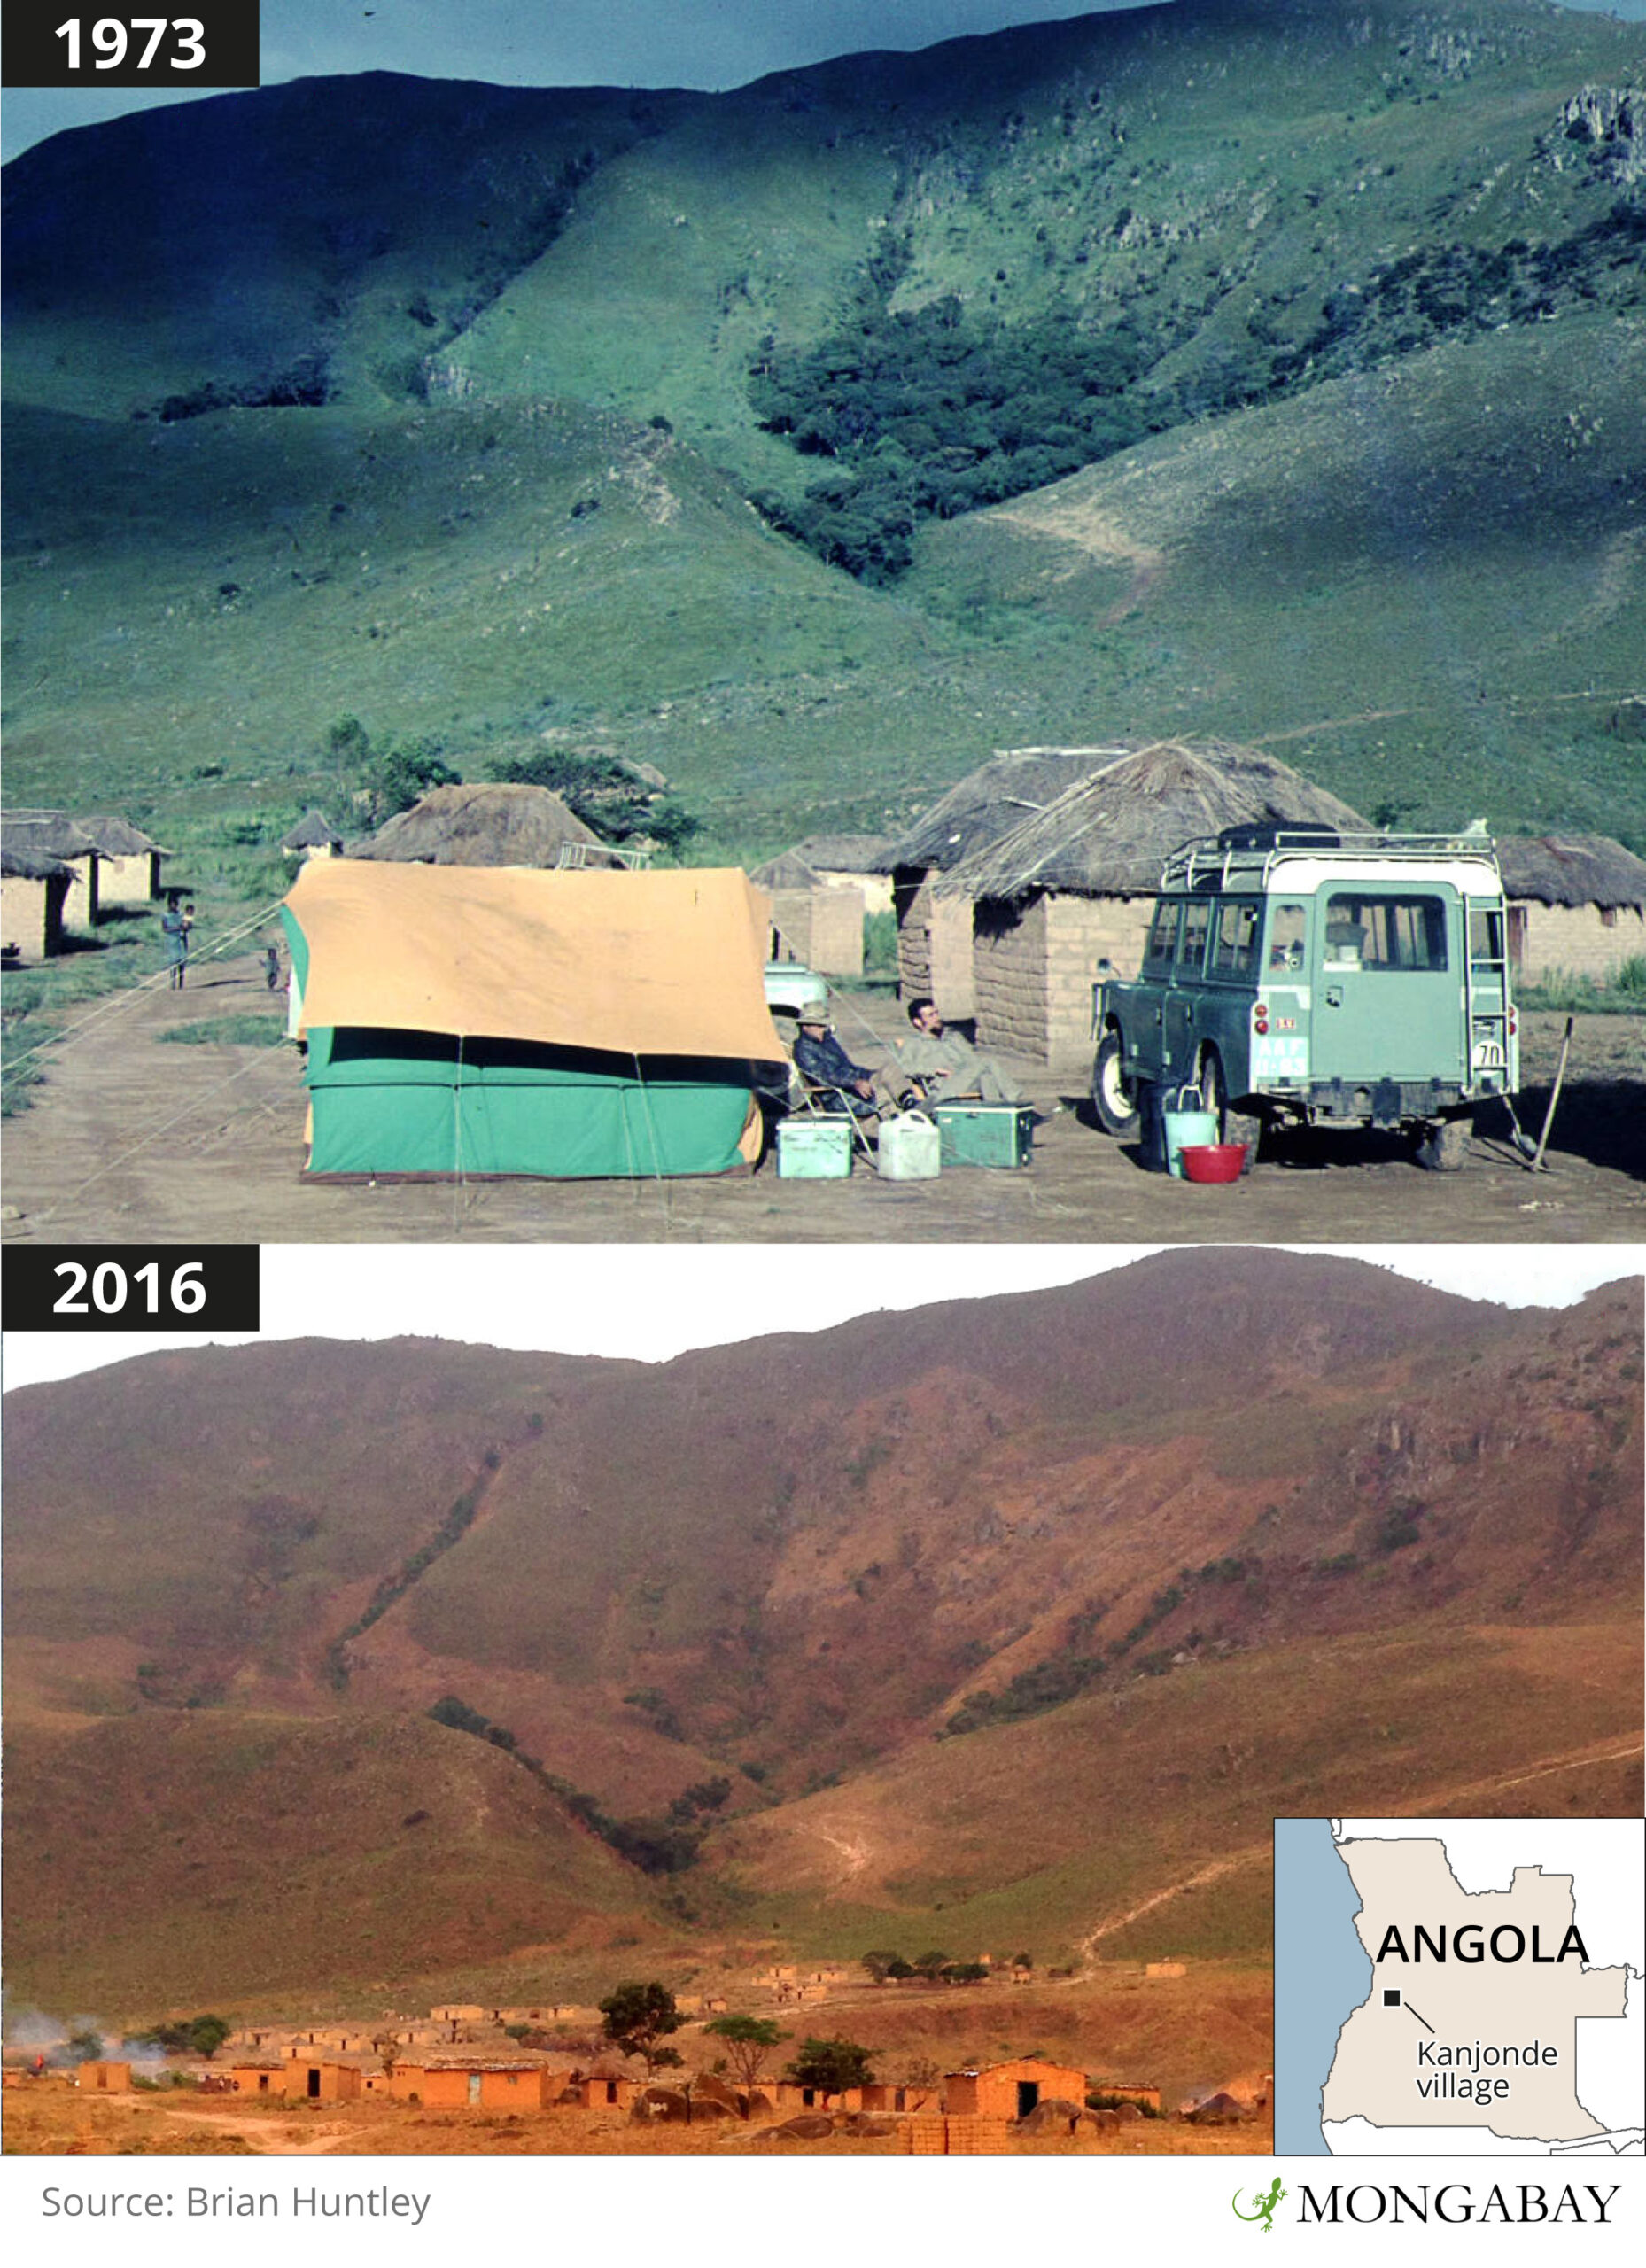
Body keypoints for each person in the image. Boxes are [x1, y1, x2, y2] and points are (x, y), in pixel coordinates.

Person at [896, 998, 1026, 1106]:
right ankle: (1012, 1103)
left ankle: (997, 1117)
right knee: (987, 1063)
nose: (937, 1018)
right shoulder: (913, 1043)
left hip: (967, 1080)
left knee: (987, 1076)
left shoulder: (953, 1037)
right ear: (917, 1022)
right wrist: (934, 1070)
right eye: (931, 1015)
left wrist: (971, 1068)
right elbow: (905, 1068)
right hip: (945, 1087)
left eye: (936, 1013)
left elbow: (973, 1061)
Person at [794, 1015, 881, 1118]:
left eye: (823, 1025)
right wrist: (854, 1082)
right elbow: (824, 1077)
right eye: (818, 1026)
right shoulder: (803, 1050)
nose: (822, 1029)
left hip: (852, 1089)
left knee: (891, 1073)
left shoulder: (827, 1042)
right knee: (888, 1094)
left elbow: (848, 1067)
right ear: (805, 1027)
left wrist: (869, 1074)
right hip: (837, 1098)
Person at [160, 898, 194, 990]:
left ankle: (181, 984)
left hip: (181, 941)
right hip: (172, 941)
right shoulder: (165, 916)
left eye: (175, 904)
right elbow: (165, 929)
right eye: (172, 904)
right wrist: (176, 928)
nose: (174, 906)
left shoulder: (181, 915)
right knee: (173, 962)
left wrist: (187, 925)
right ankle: (172, 984)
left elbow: (189, 926)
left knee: (182, 962)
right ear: (169, 905)